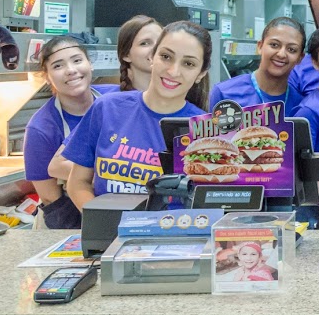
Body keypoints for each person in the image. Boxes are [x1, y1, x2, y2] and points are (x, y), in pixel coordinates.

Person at [64, 21, 210, 208]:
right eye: (166, 57)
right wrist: (103, 223)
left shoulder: (204, 130)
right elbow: (78, 183)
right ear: (152, 58)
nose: (173, 71)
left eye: (188, 63)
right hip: (109, 235)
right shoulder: (107, 108)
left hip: (175, 235)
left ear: (200, 73)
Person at [23, 37, 119, 229]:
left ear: (90, 64)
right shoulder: (41, 129)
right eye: (58, 66)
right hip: (71, 219)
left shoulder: (115, 99)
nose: (71, 70)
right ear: (47, 76)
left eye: (77, 60)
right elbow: (52, 199)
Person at [209, 17, 305, 115]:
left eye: (291, 49)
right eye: (274, 45)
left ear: (300, 58)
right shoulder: (225, 94)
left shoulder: (301, 106)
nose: (281, 54)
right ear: (260, 46)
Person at [117, 15, 161, 92]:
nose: (156, 48)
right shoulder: (111, 102)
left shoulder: (182, 98)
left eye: (160, 42)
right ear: (126, 55)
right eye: (145, 43)